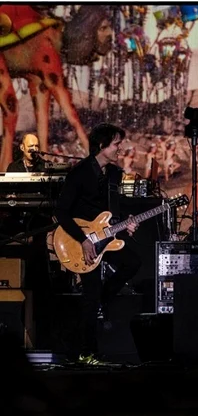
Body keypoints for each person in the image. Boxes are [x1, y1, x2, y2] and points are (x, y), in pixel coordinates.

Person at [54, 123, 140, 363]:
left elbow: (113, 210)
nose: (120, 148)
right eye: (116, 144)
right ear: (102, 146)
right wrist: (83, 240)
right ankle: (86, 351)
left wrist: (127, 222)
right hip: (82, 240)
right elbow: (61, 212)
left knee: (133, 262)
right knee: (90, 296)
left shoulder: (114, 174)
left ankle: (107, 294)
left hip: (106, 236)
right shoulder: (79, 173)